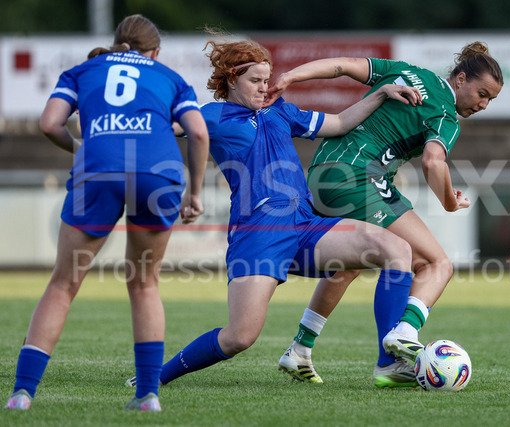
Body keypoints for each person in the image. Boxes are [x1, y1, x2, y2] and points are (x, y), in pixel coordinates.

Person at [123, 35, 424, 389]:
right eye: (255, 80)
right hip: (259, 233)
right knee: (240, 336)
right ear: (231, 79)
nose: (264, 87)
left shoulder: (281, 110)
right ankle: (156, 376)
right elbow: (166, 127)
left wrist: (381, 92)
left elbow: (341, 123)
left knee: (395, 248)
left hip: (305, 225)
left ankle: (388, 363)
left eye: (267, 80)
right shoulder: (212, 116)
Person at [266, 42, 503, 388]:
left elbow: (345, 63)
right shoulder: (446, 117)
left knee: (351, 262)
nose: (482, 105)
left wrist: (291, 75)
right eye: (481, 94)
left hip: (321, 172)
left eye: (490, 100)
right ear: (461, 78)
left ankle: (300, 348)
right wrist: (450, 202)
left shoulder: (407, 71)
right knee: (436, 263)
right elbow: (433, 161)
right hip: (357, 177)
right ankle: (397, 346)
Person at [4, 15, 209, 411]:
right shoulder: (170, 77)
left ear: (117, 42)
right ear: (155, 52)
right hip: (157, 173)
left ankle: (22, 394)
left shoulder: (82, 70)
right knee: (144, 284)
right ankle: (147, 395)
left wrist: (80, 148)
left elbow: (49, 123)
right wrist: (195, 192)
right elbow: (198, 132)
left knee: (63, 285)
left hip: (98, 170)